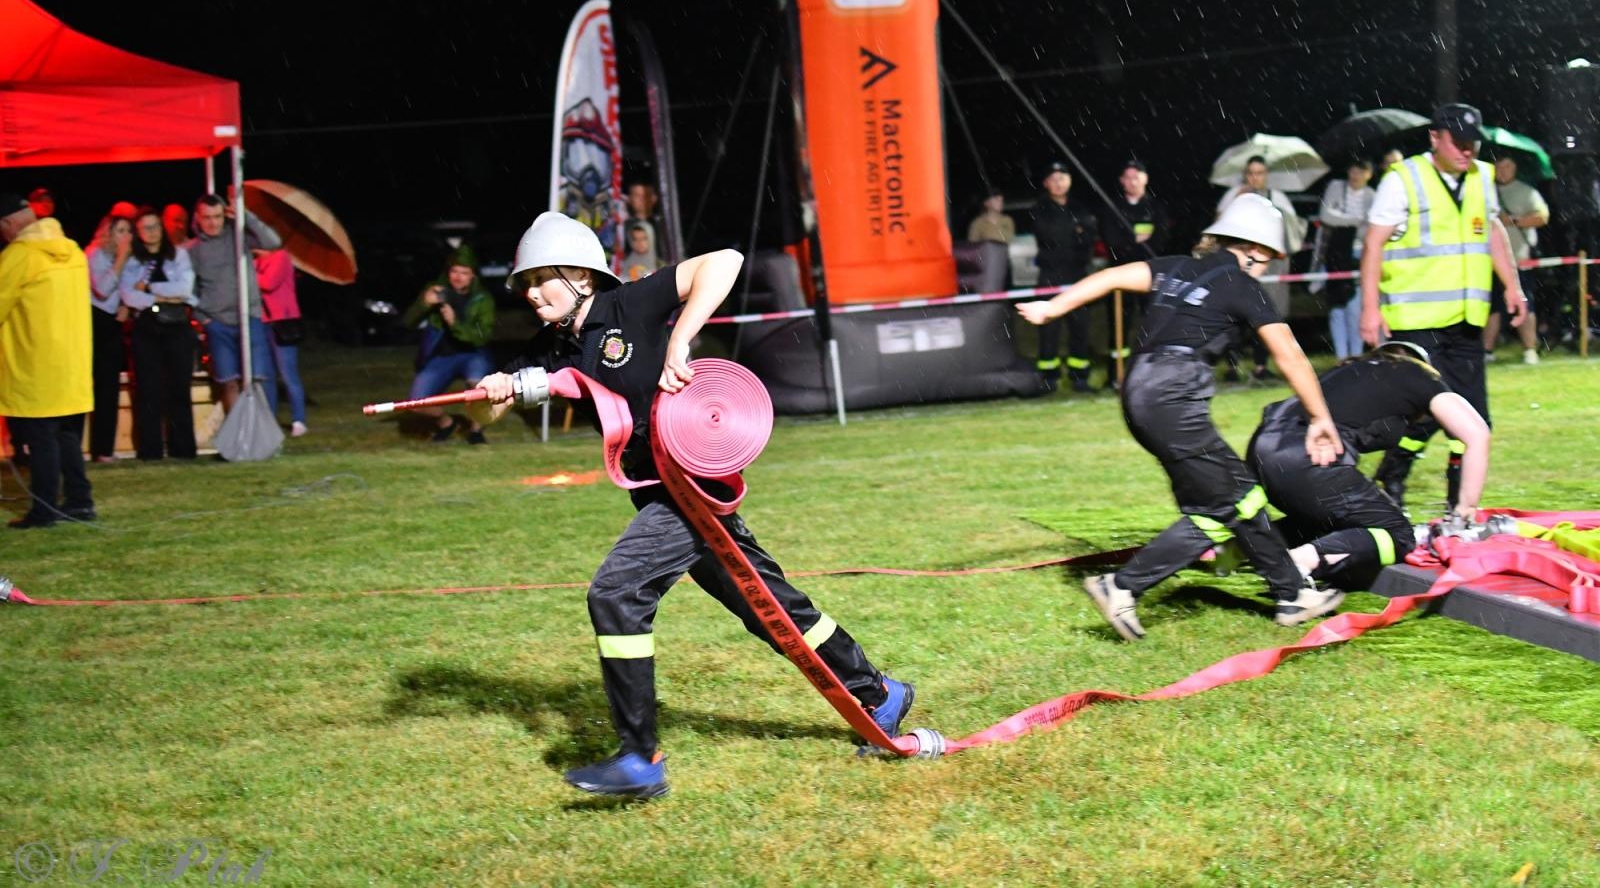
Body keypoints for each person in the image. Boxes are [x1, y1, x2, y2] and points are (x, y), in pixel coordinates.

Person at [476, 212, 916, 799]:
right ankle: (880, 693)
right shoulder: (555, 346)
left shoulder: (629, 305)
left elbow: (724, 261)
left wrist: (680, 338)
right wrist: (492, 395)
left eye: (540, 279)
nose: (530, 293)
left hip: (690, 486)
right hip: (656, 495)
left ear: (581, 274)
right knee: (768, 609)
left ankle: (639, 757)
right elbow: (484, 412)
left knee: (616, 592)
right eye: (523, 284)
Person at [1017, 195, 1347, 639]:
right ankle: (1124, 585)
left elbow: (1113, 275)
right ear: (1255, 249)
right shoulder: (1243, 283)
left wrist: (1052, 307)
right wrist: (1320, 417)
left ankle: (1289, 592)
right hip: (1173, 391)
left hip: (1139, 386)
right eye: (1269, 258)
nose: (1267, 267)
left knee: (1218, 505)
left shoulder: (1175, 267)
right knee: (1241, 496)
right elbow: (1289, 356)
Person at [1360, 103, 1527, 512]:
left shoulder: (1481, 177)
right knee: (1426, 413)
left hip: (1467, 319)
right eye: (1458, 142)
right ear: (1435, 137)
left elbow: (1491, 230)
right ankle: (1394, 472)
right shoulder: (1403, 179)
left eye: (1473, 143)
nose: (1467, 150)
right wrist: (1369, 309)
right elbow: (1373, 244)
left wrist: (1512, 285)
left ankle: (1458, 509)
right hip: (1417, 321)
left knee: (1474, 421)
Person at [1247, 341, 1490, 591]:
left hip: (1262, 451)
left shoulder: (1349, 372)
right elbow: (1477, 434)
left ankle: (1250, 544)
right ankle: (1300, 563)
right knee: (1399, 535)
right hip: (1307, 455)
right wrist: (1464, 511)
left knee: (1337, 518)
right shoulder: (1418, 375)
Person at [0, 192, 95, 528]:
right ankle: (80, 502)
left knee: (42, 442)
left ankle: (44, 510)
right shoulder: (72, 250)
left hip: (37, 367)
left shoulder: (20, 256)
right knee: (67, 437)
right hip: (73, 365)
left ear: (10, 224)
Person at [186, 192, 281, 414]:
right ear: (198, 218)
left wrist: (245, 216)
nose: (212, 223)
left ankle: (261, 434)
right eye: (207, 217)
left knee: (257, 378)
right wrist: (205, 319)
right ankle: (239, 438)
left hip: (248, 317)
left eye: (217, 217)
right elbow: (189, 290)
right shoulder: (193, 249)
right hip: (217, 323)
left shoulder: (238, 237)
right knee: (229, 381)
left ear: (224, 216)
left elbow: (273, 242)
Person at [1215, 155, 1306, 382]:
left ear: (1266, 175)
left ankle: (1260, 366)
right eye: (1251, 173)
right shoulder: (1234, 195)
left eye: (1260, 173)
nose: (1255, 178)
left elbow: (1291, 230)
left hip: (1270, 267)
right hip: (1240, 265)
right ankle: (1233, 367)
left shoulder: (1278, 197)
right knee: (1234, 316)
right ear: (1246, 174)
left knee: (1266, 315)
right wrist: (1237, 200)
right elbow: (1219, 225)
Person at [119, 208, 199, 461]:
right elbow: (129, 295)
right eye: (146, 228)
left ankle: (183, 448)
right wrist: (162, 297)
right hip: (147, 328)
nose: (151, 232)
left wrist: (150, 287)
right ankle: (151, 450)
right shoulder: (133, 261)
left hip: (176, 326)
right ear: (138, 233)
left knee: (179, 387)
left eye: (155, 226)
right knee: (148, 389)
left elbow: (185, 289)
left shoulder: (179, 255)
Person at [401, 244, 495, 445]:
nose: (458, 277)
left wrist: (454, 323)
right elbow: (407, 322)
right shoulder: (436, 290)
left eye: (464, 272)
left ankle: (475, 430)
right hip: (442, 354)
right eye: (454, 271)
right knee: (416, 403)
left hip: (473, 353)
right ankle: (447, 423)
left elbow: (482, 337)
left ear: (473, 275)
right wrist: (424, 304)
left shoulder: (483, 299)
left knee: (479, 389)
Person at [1030, 161, 1098, 391]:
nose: (1059, 183)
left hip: (1077, 273)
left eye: (1063, 178)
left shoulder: (1080, 207)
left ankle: (1079, 377)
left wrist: (1078, 233)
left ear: (1069, 181)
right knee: (1049, 327)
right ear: (1046, 183)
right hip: (1050, 275)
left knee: (1080, 326)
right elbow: (1048, 234)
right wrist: (1074, 230)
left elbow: (1090, 235)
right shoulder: (1040, 208)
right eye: (1054, 179)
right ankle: (1048, 378)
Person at [1097, 161, 1166, 384]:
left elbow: (1160, 240)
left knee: (1152, 322)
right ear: (1121, 180)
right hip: (1121, 275)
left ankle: (1150, 373)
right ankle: (1115, 375)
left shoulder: (1155, 208)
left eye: (1136, 176)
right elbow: (1112, 242)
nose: (1132, 181)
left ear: (1145, 178)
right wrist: (1135, 242)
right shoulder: (1113, 207)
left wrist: (1136, 242)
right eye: (1127, 177)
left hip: (1150, 275)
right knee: (1119, 325)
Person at [1483, 155, 1550, 364]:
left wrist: (1512, 221)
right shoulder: (1485, 189)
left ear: (1515, 167)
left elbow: (1542, 217)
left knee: (1525, 304)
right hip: (1488, 262)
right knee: (1491, 307)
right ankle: (1486, 351)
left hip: (1519, 260)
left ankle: (1529, 349)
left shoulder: (1526, 191)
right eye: (1499, 166)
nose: (1503, 171)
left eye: (1508, 166)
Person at [86, 212, 135, 463]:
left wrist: (128, 304)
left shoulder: (123, 257)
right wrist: (122, 258)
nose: (126, 236)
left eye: (129, 231)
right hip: (95, 322)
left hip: (113, 323)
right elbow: (103, 289)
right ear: (108, 232)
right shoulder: (94, 254)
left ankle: (104, 449)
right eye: (120, 230)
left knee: (110, 388)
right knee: (96, 387)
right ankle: (93, 448)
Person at [1316, 159, 1376, 359]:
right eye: (1353, 169)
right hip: (1334, 255)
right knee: (1336, 307)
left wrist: (1342, 220)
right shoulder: (1335, 187)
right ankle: (1342, 358)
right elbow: (1326, 216)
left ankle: (1356, 356)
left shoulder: (1372, 196)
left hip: (1359, 255)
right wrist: (1355, 221)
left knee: (1354, 308)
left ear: (1369, 174)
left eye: (1361, 171)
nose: (1356, 174)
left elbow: (1368, 230)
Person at [254, 247, 308, 436]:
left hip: (282, 322)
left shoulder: (282, 256)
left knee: (288, 373)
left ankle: (299, 419)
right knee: (266, 375)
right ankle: (270, 419)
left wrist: (249, 275)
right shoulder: (254, 261)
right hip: (261, 321)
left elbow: (268, 282)